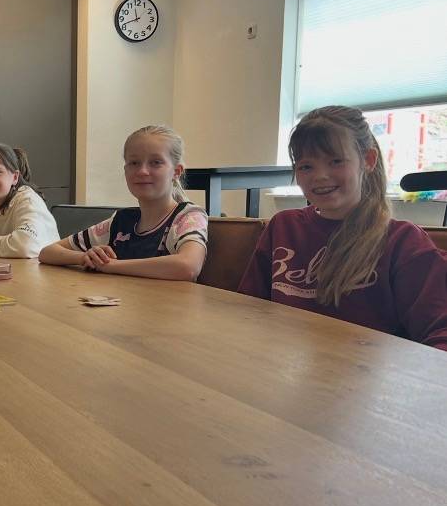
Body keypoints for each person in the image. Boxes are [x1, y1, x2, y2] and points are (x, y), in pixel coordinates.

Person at [238, 105, 447, 350]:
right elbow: (247, 312)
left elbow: (440, 333)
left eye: (336, 161)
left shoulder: (404, 242)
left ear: (368, 160)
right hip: (281, 366)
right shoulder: (283, 227)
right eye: (306, 166)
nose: (320, 176)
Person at [39, 125, 208, 281]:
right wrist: (85, 257)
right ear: (125, 170)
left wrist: (110, 266)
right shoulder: (120, 221)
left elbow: (188, 266)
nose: (142, 171)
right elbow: (48, 252)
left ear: (176, 172)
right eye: (134, 163)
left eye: (156, 163)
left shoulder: (189, 216)